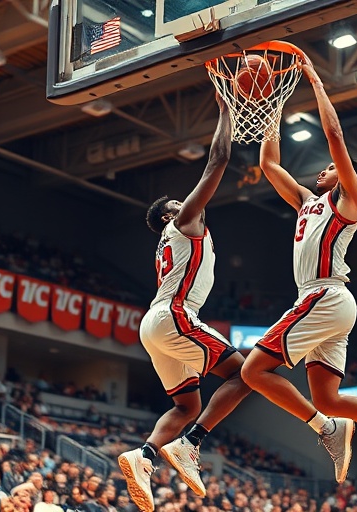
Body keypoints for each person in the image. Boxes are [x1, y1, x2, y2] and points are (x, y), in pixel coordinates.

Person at [239, 51, 357, 483]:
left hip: (324, 296)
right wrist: (271, 107)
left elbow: (334, 136)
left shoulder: (349, 202)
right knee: (326, 397)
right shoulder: (308, 202)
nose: (324, 170)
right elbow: (268, 165)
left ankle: (323, 430)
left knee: (252, 371)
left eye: (331, 169)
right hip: (327, 303)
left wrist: (316, 83)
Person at [117, 94, 251, 510]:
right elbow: (218, 161)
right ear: (168, 215)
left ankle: (144, 456)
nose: (186, 200)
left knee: (186, 403)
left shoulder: (171, 237)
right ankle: (191, 444)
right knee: (248, 373)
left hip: (156, 322)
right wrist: (227, 109)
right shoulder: (182, 221)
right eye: (177, 201)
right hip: (175, 315)